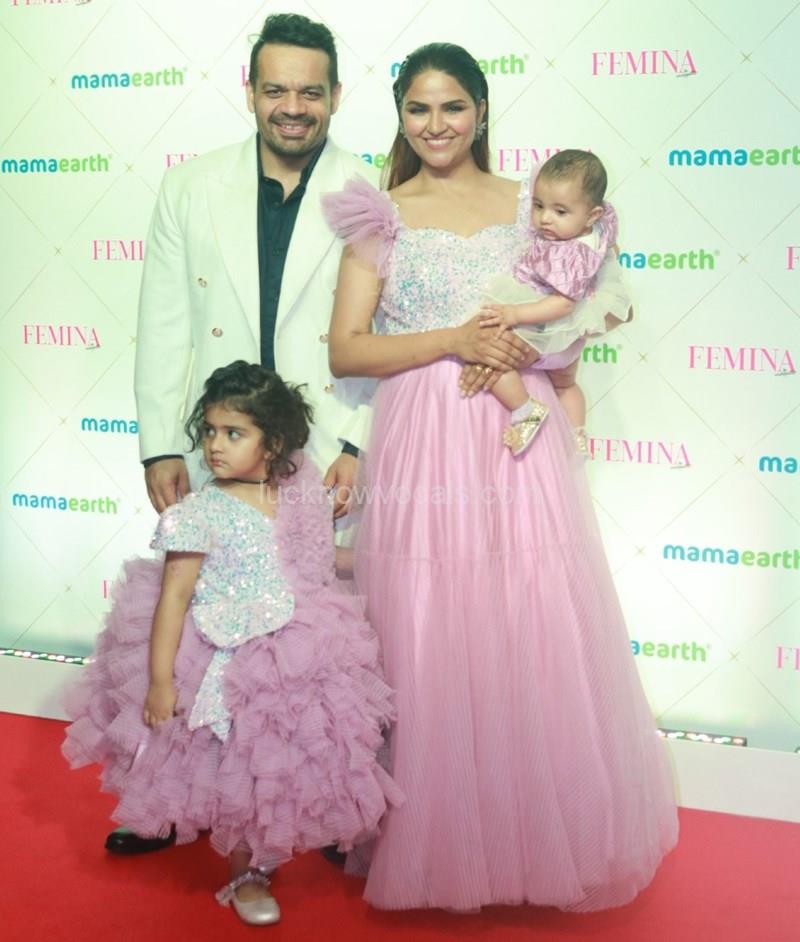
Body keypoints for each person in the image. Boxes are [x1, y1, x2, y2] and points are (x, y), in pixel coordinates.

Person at [322, 43, 678, 912]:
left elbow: (595, 305)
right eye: (418, 108)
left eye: (453, 106)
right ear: (400, 116)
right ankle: (436, 842)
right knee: (429, 628)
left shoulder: (536, 202)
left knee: (529, 617)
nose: (436, 124)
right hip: (423, 432)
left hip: (518, 431)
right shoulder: (380, 215)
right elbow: (347, 350)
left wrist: (535, 354)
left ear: (481, 110)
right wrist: (454, 340)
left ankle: (536, 840)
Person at [120, 11, 377, 856]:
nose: (292, 107)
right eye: (276, 89)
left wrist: (356, 443)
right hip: (221, 437)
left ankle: (327, 808)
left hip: (324, 443)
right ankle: (179, 804)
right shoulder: (190, 186)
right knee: (199, 622)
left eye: (310, 91)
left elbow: (389, 324)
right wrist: (163, 442)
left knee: (314, 634)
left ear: (335, 94)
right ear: (250, 90)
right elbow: (163, 323)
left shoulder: (368, 190)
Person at [63, 361, 401, 926]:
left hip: (293, 652)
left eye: (233, 433)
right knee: (235, 767)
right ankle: (246, 873)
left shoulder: (299, 499)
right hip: (220, 655)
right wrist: (162, 681)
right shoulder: (198, 513)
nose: (215, 446)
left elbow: (317, 566)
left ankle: (267, 855)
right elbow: (174, 598)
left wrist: (385, 557)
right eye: (210, 431)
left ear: (273, 444)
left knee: (283, 763)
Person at [477, 149, 629, 456]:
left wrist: (513, 314)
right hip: (570, 339)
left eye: (560, 212)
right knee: (565, 385)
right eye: (538, 206)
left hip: (545, 328)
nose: (545, 218)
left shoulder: (568, 255)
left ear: (591, 215)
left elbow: (563, 304)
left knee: (491, 360)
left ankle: (525, 410)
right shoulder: (599, 226)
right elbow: (612, 243)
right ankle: (577, 437)